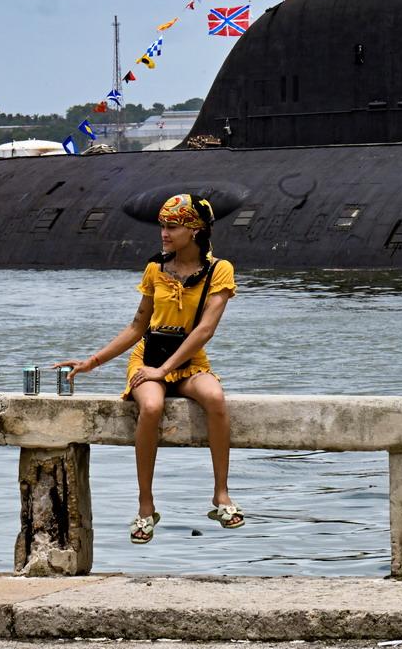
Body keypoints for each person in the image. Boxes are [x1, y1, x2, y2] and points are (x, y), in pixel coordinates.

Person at [55, 194, 241, 544]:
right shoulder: (156, 269)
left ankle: (221, 495)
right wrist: (92, 362)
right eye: (163, 227)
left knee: (215, 398)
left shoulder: (220, 270)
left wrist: (167, 370)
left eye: (172, 227)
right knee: (152, 407)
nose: (164, 234)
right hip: (148, 358)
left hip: (188, 361)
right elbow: (138, 326)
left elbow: (204, 330)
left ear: (195, 230)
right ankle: (145, 505)